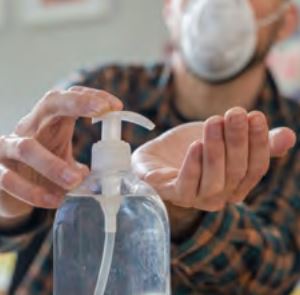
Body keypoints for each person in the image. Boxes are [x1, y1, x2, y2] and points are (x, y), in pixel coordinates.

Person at [0, 0, 299, 294]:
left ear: (286, 20)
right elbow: (13, 237)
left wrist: (186, 214)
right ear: (170, 10)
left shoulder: (290, 136)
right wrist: (12, 203)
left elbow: (273, 275)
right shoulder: (99, 93)